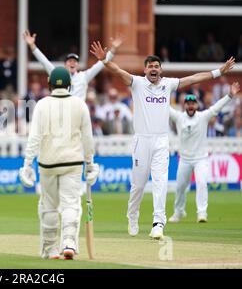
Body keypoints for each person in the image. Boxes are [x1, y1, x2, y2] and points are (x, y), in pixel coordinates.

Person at [90, 40, 235, 239]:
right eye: (150, 66)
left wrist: (219, 72)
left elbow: (193, 78)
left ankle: (158, 222)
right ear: (145, 70)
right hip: (142, 140)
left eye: (156, 66)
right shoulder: (137, 83)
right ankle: (132, 215)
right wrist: (105, 60)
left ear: (160, 70)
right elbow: (117, 70)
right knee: (138, 185)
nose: (153, 69)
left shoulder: (168, 84)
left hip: (161, 141)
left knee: (161, 182)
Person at [19, 67, 100, 260]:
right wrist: (90, 163)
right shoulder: (80, 104)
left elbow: (34, 137)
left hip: (48, 162)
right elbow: (88, 139)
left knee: (49, 205)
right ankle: (69, 243)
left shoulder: (41, 104)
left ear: (49, 84)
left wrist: (27, 164)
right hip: (72, 161)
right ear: (70, 84)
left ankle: (50, 249)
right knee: (71, 204)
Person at [168, 82, 240, 224]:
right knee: (180, 187)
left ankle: (202, 213)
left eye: (192, 103)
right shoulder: (178, 117)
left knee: (201, 183)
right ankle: (179, 212)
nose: (190, 106)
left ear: (197, 105)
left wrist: (230, 95)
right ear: (184, 106)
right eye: (187, 104)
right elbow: (164, 108)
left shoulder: (203, 116)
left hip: (201, 158)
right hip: (184, 159)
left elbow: (217, 107)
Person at [23, 30, 122, 101]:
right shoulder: (58, 74)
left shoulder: (84, 76)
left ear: (78, 65)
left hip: (78, 113)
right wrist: (32, 46)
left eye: (75, 62)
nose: (72, 63)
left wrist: (113, 49)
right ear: (65, 64)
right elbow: (45, 62)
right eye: (69, 61)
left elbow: (100, 64)